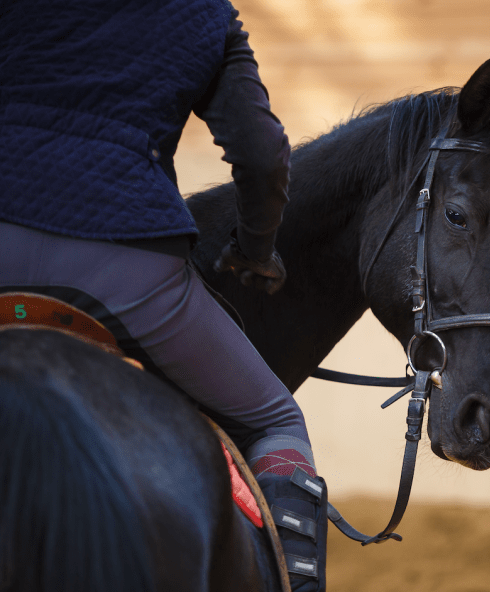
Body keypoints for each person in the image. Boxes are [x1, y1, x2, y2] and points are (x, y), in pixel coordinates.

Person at [0, 1, 326, 589]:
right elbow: (260, 153)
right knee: (276, 419)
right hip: (123, 267)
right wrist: (254, 247)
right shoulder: (204, 13)